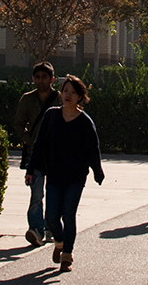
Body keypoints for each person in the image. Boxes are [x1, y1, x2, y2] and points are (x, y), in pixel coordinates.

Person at [26, 75, 104, 273]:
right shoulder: (52, 116)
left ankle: (67, 255)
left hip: (76, 177)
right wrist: (31, 169)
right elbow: (39, 144)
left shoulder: (85, 122)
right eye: (65, 91)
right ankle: (59, 243)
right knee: (51, 217)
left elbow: (93, 149)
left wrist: (97, 171)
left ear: (80, 97)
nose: (68, 95)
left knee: (68, 214)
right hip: (54, 174)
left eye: (73, 92)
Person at [14, 62, 62, 247]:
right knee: (36, 193)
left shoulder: (60, 99)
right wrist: (30, 140)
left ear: (52, 79)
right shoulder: (27, 99)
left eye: (44, 77)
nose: (40, 81)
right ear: (33, 79)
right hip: (35, 155)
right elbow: (18, 124)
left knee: (54, 192)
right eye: (37, 77)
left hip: (57, 154)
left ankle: (52, 227)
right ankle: (36, 229)